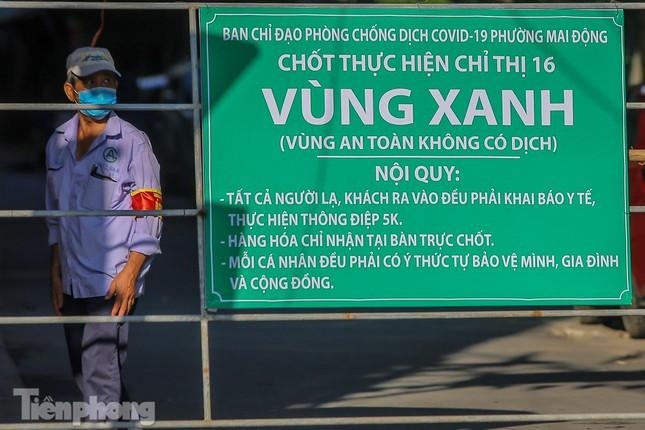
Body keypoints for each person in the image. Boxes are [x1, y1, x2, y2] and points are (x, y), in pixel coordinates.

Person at [45, 46, 162, 410]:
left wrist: (131, 273)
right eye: (91, 82)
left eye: (108, 81)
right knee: (85, 371)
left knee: (99, 372)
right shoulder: (58, 142)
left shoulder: (133, 142)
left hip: (112, 278)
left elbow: (150, 213)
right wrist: (55, 269)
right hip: (72, 276)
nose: (101, 88)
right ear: (71, 90)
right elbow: (54, 212)